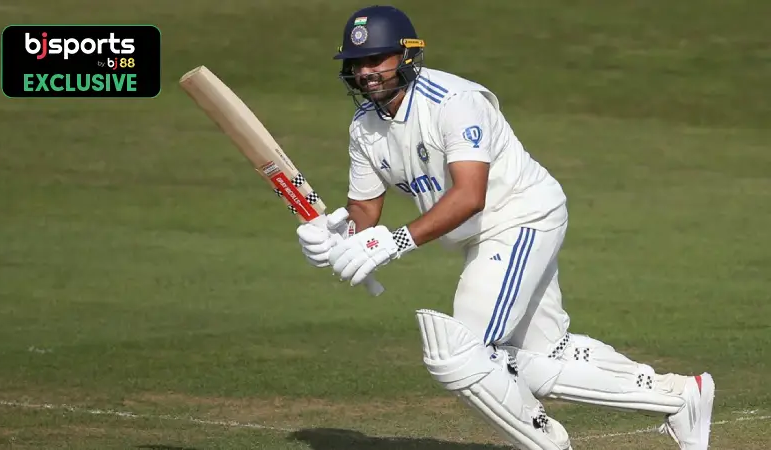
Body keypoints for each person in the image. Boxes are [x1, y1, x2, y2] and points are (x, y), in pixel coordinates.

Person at [295, 5, 715, 450]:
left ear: (407, 56)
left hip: (520, 216)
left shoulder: (453, 103)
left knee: (459, 353)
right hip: (482, 234)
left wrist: (395, 242)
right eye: (357, 64)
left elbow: (470, 194)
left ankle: (547, 443)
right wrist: (337, 234)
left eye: (377, 60)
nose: (366, 73)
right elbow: (363, 208)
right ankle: (682, 397)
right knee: (545, 353)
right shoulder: (364, 128)